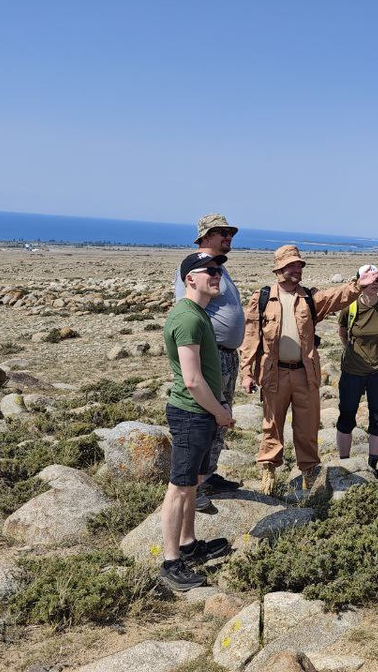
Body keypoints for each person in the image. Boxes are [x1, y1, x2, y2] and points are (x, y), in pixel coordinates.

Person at [239, 245, 378, 494]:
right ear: (279, 268)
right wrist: (247, 372)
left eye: (299, 265)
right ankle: (269, 471)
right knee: (272, 424)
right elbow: (251, 337)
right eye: (292, 265)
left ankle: (309, 473)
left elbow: (336, 297)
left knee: (307, 426)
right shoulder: (261, 299)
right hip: (274, 373)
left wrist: (358, 285)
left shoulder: (309, 298)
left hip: (305, 374)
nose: (297, 270)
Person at [159, 252, 235, 591]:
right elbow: (191, 379)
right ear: (190, 278)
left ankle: (189, 544)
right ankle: (171, 562)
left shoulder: (198, 314)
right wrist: (219, 411)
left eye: (219, 270)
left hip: (201, 412)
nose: (217, 275)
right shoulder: (187, 318)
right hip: (191, 413)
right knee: (178, 487)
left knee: (193, 483)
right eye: (210, 271)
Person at [173, 213, 244, 513]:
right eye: (222, 232)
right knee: (210, 416)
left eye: (230, 233)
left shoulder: (217, 269)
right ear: (205, 235)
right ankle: (196, 487)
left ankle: (208, 476)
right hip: (211, 354)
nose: (228, 237)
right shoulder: (195, 269)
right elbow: (187, 308)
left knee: (221, 417)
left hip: (227, 355)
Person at [335, 264, 378, 470]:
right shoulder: (350, 307)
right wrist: (351, 351)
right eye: (370, 280)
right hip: (352, 371)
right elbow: (343, 332)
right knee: (346, 415)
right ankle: (344, 464)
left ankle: (373, 465)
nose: (375, 284)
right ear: (360, 282)